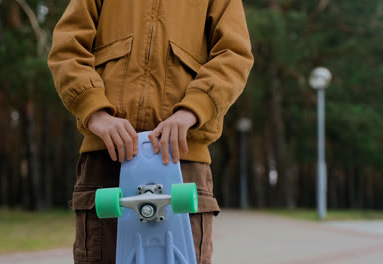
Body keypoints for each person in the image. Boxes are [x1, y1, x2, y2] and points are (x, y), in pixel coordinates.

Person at [47, 0, 253, 263]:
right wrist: (95, 110)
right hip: (105, 157)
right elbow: (67, 49)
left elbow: (234, 54)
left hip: (183, 157)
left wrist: (191, 110)